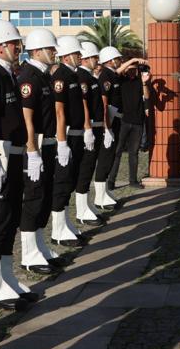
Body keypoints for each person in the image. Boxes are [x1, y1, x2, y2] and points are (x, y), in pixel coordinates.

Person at [0, 19, 42, 310]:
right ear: (1, 45)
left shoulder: (7, 74)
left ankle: (6, 278)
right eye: (15, 43)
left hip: (14, 152)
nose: (19, 47)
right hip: (0, 154)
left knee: (10, 218)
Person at [17, 28, 66, 274]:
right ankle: (29, 253)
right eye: (51, 49)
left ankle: (39, 245)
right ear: (37, 50)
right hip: (34, 146)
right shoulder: (28, 77)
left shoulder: (44, 75)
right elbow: (27, 117)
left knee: (44, 198)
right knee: (34, 199)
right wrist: (32, 151)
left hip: (46, 143)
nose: (55, 52)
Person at [47, 36, 90, 246]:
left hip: (76, 134)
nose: (80, 57)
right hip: (66, 135)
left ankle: (65, 223)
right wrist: (62, 142)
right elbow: (59, 109)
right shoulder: (61, 76)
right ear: (66, 55)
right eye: (77, 53)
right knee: (62, 182)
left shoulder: (72, 75)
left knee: (71, 180)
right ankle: (57, 230)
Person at [73, 41, 107, 224]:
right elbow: (84, 104)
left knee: (90, 167)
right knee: (85, 169)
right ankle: (81, 210)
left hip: (95, 126)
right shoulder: (82, 77)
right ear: (85, 58)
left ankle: (86, 204)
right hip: (90, 127)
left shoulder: (91, 77)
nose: (97, 60)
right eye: (94, 57)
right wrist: (88, 128)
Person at [108, 58, 151, 189]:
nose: (132, 71)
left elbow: (147, 97)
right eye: (130, 69)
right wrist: (133, 60)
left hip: (138, 122)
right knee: (117, 152)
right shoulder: (121, 80)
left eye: (134, 69)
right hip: (123, 121)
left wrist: (144, 83)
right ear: (126, 69)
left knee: (134, 153)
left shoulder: (140, 81)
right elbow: (117, 71)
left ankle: (133, 181)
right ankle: (111, 181)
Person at [93, 46, 124, 211]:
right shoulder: (105, 75)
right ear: (110, 60)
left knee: (110, 157)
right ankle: (99, 196)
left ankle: (104, 192)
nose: (119, 60)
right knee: (105, 158)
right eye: (117, 58)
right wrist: (107, 128)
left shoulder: (112, 74)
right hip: (110, 119)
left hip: (116, 119)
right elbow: (104, 103)